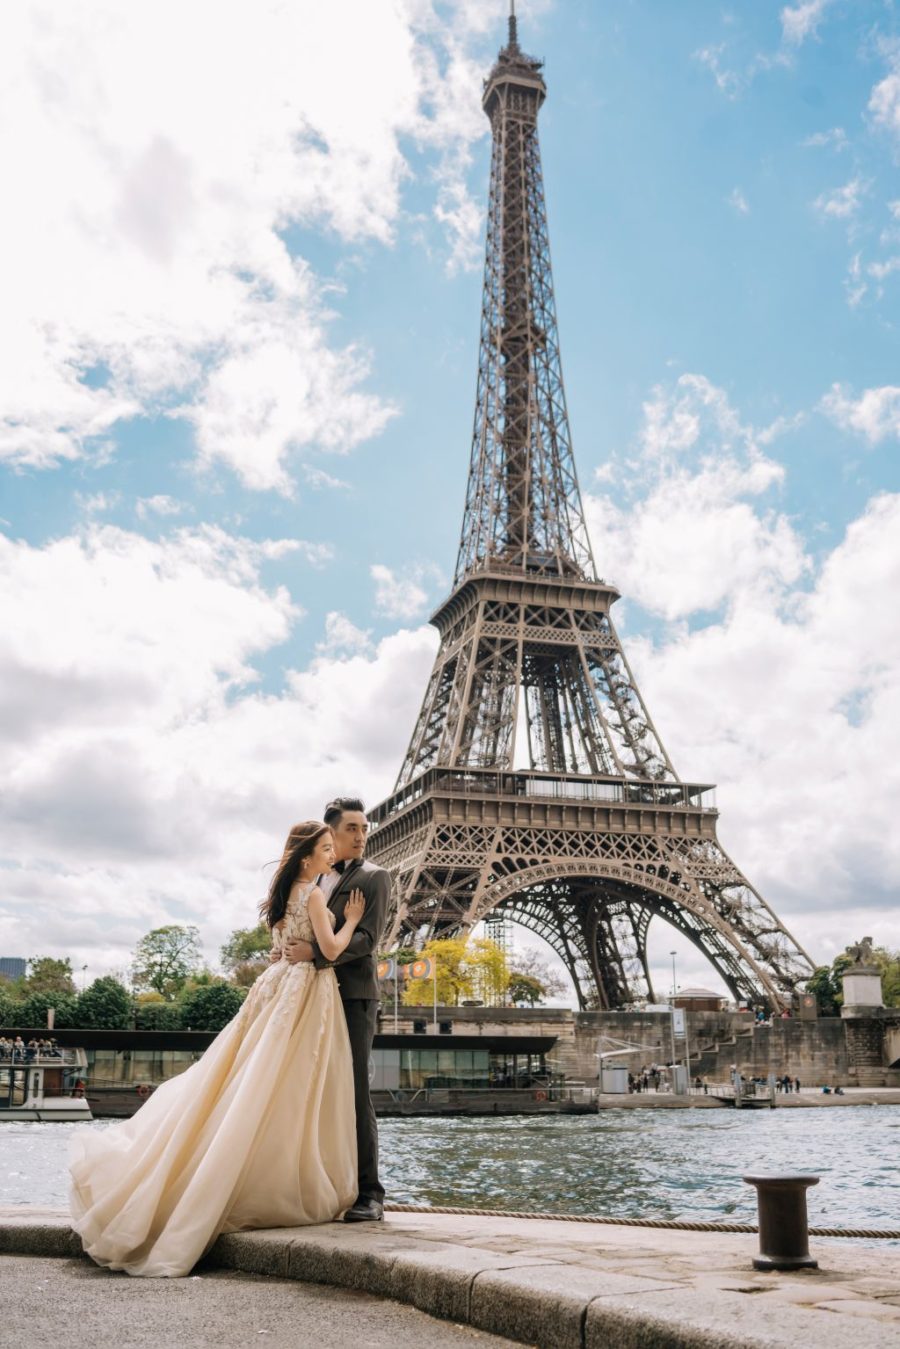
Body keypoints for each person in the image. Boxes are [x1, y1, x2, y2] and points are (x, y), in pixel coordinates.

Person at [69, 821, 363, 1277]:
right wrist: (354, 923)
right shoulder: (317, 894)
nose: (332, 854)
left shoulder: (284, 897)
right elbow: (330, 947)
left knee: (249, 1079)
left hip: (276, 988)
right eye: (326, 848)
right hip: (305, 993)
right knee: (293, 1087)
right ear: (307, 857)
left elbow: (283, 947)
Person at [281, 797, 390, 1223]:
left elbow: (367, 940)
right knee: (310, 1090)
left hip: (352, 996)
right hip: (311, 994)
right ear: (330, 833)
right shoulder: (313, 880)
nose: (361, 836)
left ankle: (370, 1193)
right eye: (352, 829)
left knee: (355, 1090)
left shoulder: (376, 877)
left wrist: (314, 954)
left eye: (365, 828)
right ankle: (320, 1182)